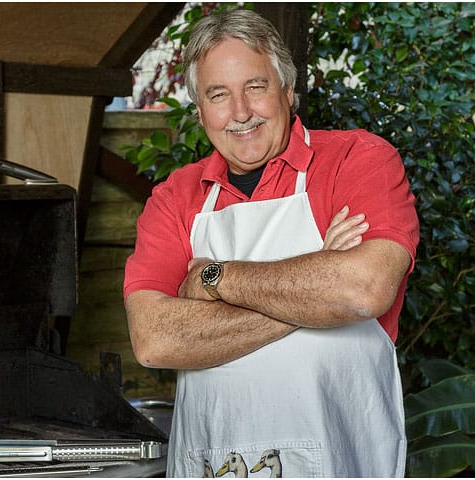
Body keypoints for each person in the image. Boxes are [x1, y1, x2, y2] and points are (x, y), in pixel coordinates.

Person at [124, 8, 419, 478]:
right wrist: (316, 287)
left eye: (255, 87)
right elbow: (155, 340)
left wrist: (213, 278)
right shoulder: (175, 197)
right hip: (212, 463)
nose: (240, 113)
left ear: (288, 90)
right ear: (199, 110)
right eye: (218, 95)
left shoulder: (357, 161)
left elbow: (362, 290)